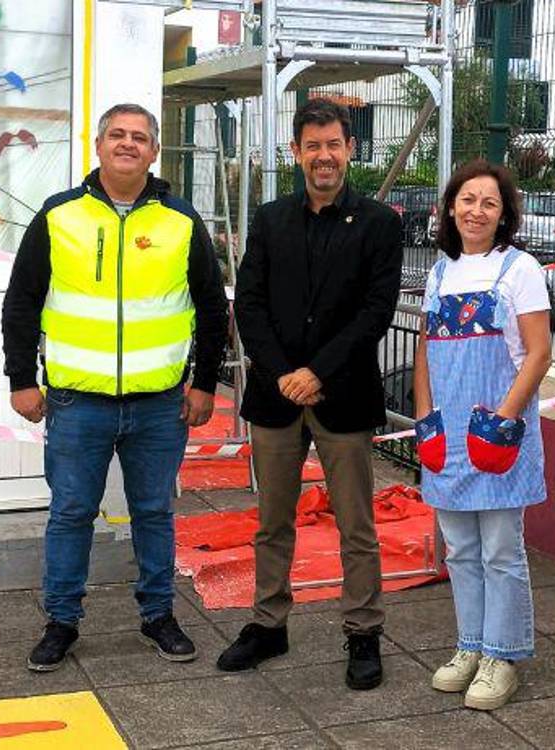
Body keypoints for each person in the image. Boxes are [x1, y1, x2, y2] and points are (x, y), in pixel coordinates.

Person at [1, 103, 230, 672]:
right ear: (99, 145)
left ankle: (158, 616)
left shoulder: (180, 220)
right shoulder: (59, 215)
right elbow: (22, 300)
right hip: (77, 402)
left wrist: (205, 383)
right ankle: (60, 621)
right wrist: (21, 379)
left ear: (154, 151)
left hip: (159, 405)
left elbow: (210, 305)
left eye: (140, 137)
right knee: (71, 513)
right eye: (118, 135)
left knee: (153, 512)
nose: (128, 144)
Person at [216, 98, 404, 690]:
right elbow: (249, 304)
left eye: (334, 144)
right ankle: (268, 624)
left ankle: (363, 631)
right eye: (313, 145)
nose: (324, 156)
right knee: (272, 522)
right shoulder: (270, 219)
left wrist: (316, 373)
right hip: (276, 398)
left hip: (343, 396)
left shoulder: (379, 223)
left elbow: (376, 311)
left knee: (356, 526)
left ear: (351, 149)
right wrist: (281, 374)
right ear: (296, 152)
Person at [413, 159, 551, 710]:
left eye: (489, 203)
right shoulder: (439, 273)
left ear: (503, 214)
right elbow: (426, 351)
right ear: (450, 208)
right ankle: (470, 644)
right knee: (461, 550)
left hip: (498, 434)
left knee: (500, 550)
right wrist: (424, 418)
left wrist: (503, 421)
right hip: (445, 435)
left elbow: (538, 353)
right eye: (467, 200)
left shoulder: (520, 269)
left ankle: (503, 654)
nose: (477, 211)